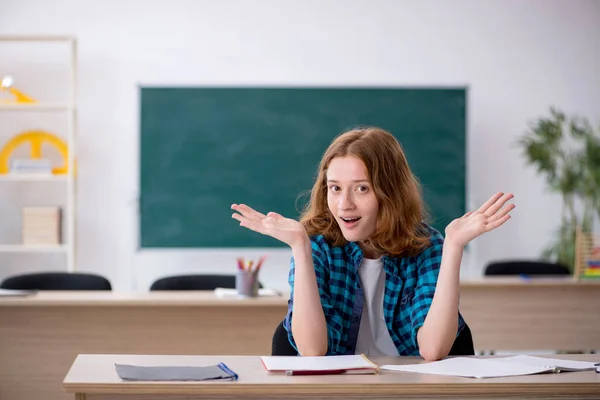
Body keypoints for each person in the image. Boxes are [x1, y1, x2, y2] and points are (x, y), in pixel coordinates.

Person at [231, 126, 514, 361]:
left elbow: (433, 349)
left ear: (390, 191)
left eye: (362, 188)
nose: (344, 204)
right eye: (335, 188)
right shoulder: (317, 246)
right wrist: (300, 248)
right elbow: (312, 350)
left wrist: (453, 246)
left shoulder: (427, 246)